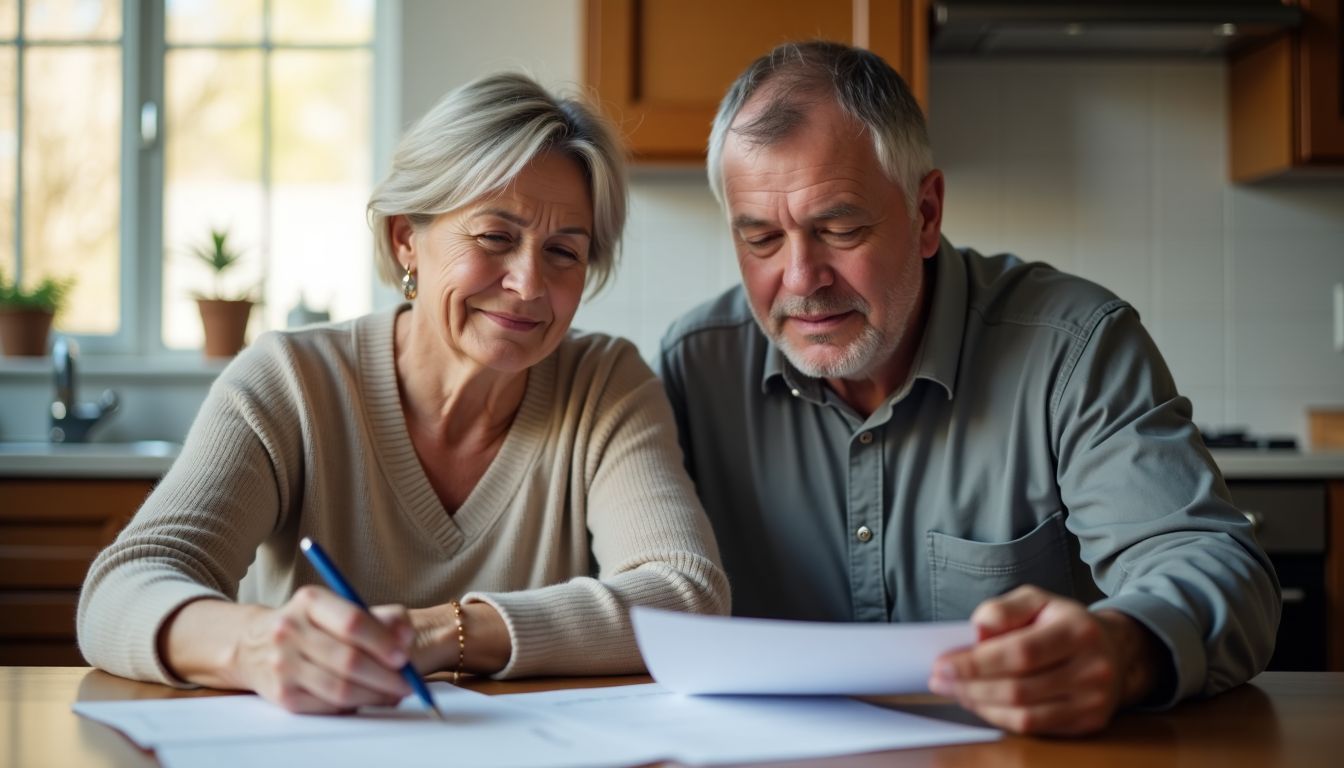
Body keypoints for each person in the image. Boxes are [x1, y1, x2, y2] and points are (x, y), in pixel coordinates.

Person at [658, 41, 1279, 736]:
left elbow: (1217, 568)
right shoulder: (696, 366)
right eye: (763, 240)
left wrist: (1124, 650)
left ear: (926, 213)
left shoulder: (1072, 348)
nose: (802, 278)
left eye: (839, 228)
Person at [78, 72, 728, 714]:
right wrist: (254, 646)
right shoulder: (290, 381)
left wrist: (439, 634)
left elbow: (684, 594)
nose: (530, 284)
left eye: (564, 252)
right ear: (405, 239)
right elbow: (119, 592)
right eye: (495, 237)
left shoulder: (606, 385)